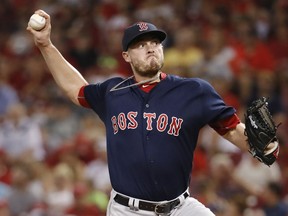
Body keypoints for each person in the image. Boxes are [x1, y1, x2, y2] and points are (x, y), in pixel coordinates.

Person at [27, 9, 278, 216]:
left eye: (155, 42)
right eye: (141, 45)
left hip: (180, 208)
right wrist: (46, 45)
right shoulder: (113, 92)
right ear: (126, 56)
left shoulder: (194, 91)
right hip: (127, 210)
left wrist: (263, 146)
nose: (151, 48)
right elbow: (75, 89)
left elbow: (232, 129)